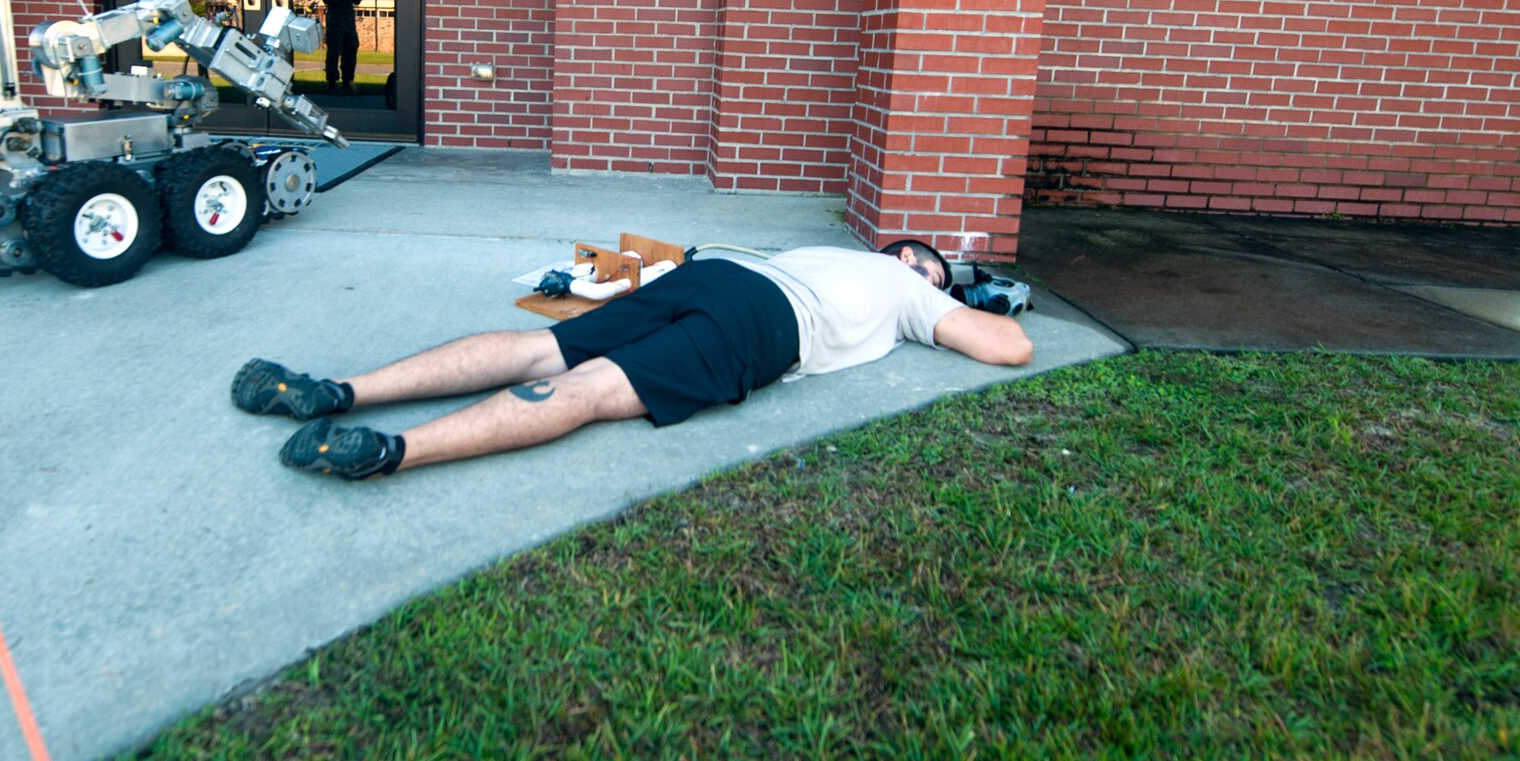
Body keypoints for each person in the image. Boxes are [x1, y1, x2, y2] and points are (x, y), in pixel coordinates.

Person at [230, 240, 1034, 480]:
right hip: (765, 314)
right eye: (918, 258)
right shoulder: (912, 288)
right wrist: (957, 299)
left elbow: (1003, 343)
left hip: (730, 280)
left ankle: (337, 393)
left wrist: (940, 295)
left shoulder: (865, 268)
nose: (917, 266)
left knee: (543, 345)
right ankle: (386, 449)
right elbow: (1011, 343)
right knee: (585, 382)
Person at [318, 0, 362, 92]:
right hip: (335, 19)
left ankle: (347, 80)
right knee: (334, 51)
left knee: (351, 49)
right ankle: (331, 80)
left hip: (348, 20)